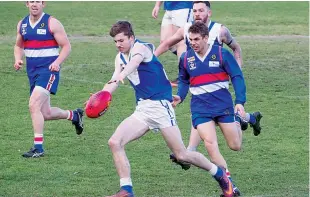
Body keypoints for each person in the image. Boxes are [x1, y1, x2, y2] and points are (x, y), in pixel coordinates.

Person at [101, 21, 234, 197]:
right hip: (143, 109)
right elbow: (113, 81)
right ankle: (127, 190)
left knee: (182, 155)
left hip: (161, 107)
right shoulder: (119, 58)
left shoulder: (142, 48)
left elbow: (135, 62)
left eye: (121, 40)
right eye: (115, 42)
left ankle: (219, 174)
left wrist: (123, 75)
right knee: (114, 142)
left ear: (131, 38)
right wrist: (101, 95)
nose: (118, 45)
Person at [155, 2, 262, 189]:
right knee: (211, 144)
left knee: (235, 145)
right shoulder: (185, 58)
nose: (193, 43)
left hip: (222, 104)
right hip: (200, 107)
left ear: (206, 38)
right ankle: (228, 185)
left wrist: (240, 102)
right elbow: (184, 80)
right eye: (190, 40)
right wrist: (180, 96)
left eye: (196, 39)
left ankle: (239, 118)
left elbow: (237, 76)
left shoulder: (221, 53)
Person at [14, 1, 84, 158]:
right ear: (27, 4)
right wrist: (18, 58)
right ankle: (74, 115)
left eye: (38, 1)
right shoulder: (22, 24)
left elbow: (66, 46)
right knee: (44, 113)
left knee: (33, 105)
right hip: (32, 72)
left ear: (43, 4)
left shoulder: (52, 23)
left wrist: (57, 63)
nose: (34, 4)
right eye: (31, 1)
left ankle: (38, 148)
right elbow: (18, 46)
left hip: (48, 70)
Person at [152, 1, 193, 86]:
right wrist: (157, 5)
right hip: (169, 8)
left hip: (183, 7)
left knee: (181, 42)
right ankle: (193, 58)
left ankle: (183, 76)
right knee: (166, 42)